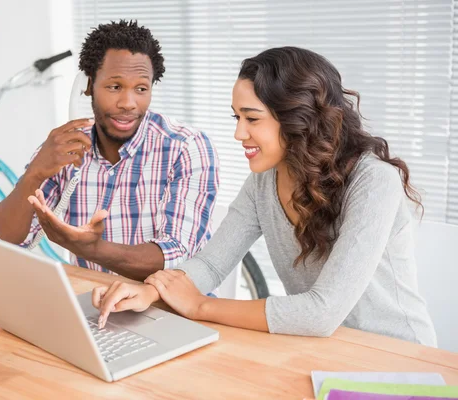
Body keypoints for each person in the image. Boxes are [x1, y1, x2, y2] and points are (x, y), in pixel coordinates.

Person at [91, 46, 437, 346]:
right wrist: (150, 292)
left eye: (252, 118)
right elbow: (211, 264)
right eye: (237, 117)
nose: (239, 132)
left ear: (298, 118)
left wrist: (200, 306)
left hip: (396, 357)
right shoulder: (264, 181)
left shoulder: (374, 180)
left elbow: (321, 313)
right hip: (318, 347)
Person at [0, 20, 219, 281]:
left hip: (169, 308)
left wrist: (92, 250)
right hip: (92, 304)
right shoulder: (65, 149)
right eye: (115, 87)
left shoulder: (185, 148)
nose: (128, 104)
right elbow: (3, 242)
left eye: (141, 89)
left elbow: (177, 257)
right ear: (87, 84)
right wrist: (34, 174)